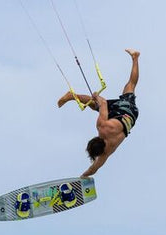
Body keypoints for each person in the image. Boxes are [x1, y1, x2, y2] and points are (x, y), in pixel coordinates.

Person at [57, 49, 140, 177]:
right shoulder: (102, 127)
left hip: (131, 115)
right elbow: (103, 103)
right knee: (129, 85)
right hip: (124, 109)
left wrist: (82, 177)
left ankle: (72, 96)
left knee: (95, 105)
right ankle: (135, 57)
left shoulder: (106, 152)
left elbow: (93, 169)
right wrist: (96, 96)